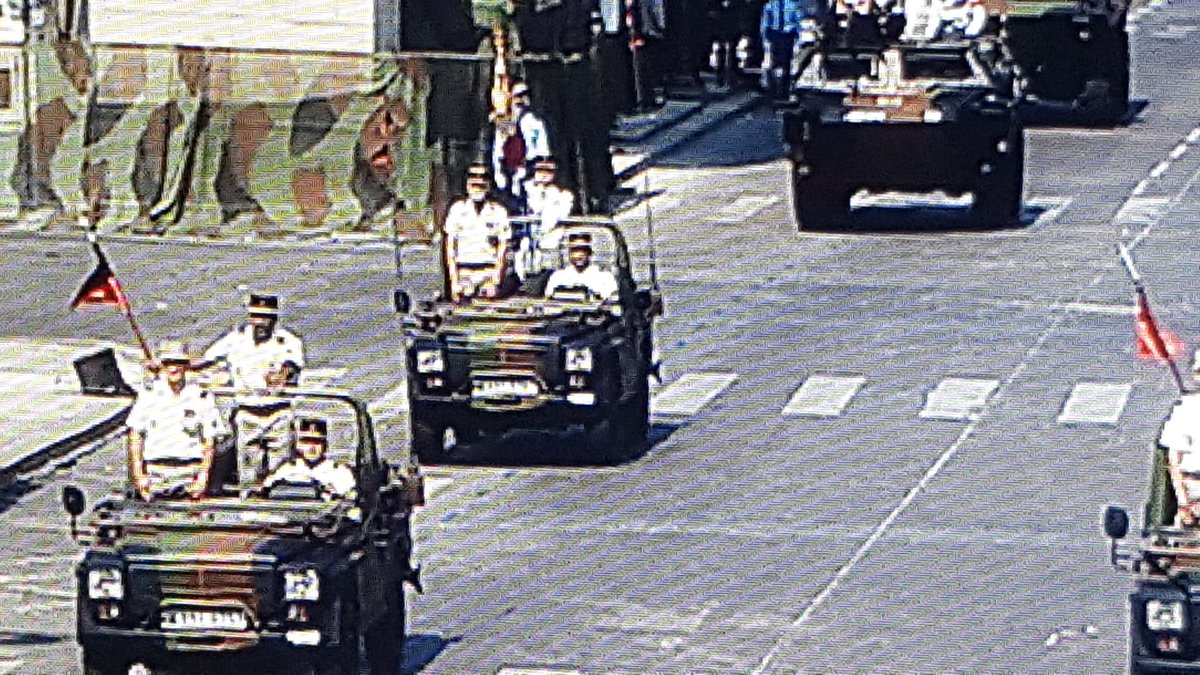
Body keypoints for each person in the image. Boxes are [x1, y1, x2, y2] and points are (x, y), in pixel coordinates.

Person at [199, 293, 305, 488]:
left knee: (279, 470)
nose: (260, 322)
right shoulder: (236, 338)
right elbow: (206, 359)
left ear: (274, 319)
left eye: (265, 317)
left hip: (278, 412)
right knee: (248, 468)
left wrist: (282, 374)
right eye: (256, 316)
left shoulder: (288, 341)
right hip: (247, 412)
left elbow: (291, 366)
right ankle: (249, 504)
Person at [126, 340, 228, 501]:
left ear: (186, 365)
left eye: (178, 362)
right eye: (168, 363)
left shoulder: (200, 396)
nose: (173, 368)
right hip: (156, 474)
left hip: (189, 474)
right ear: (162, 366)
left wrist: (203, 476)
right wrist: (139, 476)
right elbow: (135, 437)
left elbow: (209, 442)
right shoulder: (149, 396)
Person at [444, 165, 513, 301]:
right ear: (467, 184)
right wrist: (454, 282)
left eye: (483, 181)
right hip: (464, 271)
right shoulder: (457, 209)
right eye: (474, 181)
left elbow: (503, 248)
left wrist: (496, 280)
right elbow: (450, 249)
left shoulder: (499, 211)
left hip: (489, 271)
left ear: (488, 185)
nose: (478, 184)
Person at [263, 418, 357, 500]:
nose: (311, 447)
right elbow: (266, 487)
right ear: (298, 445)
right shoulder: (288, 468)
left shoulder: (339, 471)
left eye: (317, 442)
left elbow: (350, 497)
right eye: (306, 441)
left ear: (325, 444)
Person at [492, 82, 552, 204]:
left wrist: (530, 169)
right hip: (508, 174)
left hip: (531, 173)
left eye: (525, 95)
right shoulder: (505, 123)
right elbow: (498, 150)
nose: (521, 100)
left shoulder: (536, 123)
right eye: (517, 96)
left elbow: (543, 152)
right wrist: (499, 172)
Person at [518, 158, 576, 280]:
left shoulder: (564, 195)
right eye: (540, 170)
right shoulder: (527, 191)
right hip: (528, 245)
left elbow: (559, 215)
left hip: (551, 244)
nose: (544, 174)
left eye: (549, 171)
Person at [545, 232, 620, 300]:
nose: (578, 254)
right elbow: (548, 302)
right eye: (574, 250)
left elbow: (613, 304)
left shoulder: (605, 278)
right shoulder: (558, 276)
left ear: (590, 252)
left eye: (582, 249)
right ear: (569, 252)